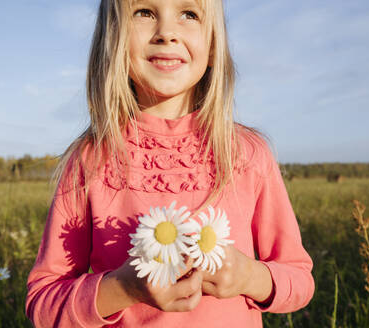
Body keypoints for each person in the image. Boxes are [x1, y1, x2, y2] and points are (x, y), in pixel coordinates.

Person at [25, 0, 314, 327]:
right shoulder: (89, 160)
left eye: (189, 14)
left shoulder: (248, 153)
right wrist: (124, 287)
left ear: (214, 43)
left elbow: (300, 280)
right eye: (144, 12)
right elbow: (43, 305)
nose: (167, 33)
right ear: (113, 35)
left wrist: (249, 276)